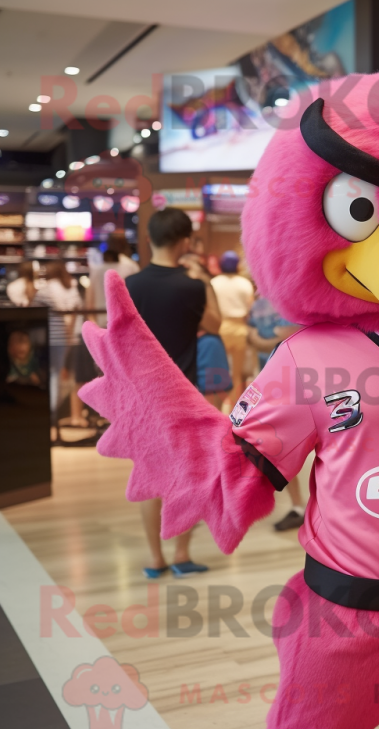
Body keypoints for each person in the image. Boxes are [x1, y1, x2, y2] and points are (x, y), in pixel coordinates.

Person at [125, 208, 222, 578]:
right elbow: (214, 324)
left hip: (143, 396)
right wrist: (205, 281)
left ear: (149, 238)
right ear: (185, 242)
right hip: (184, 393)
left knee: (148, 475)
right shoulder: (192, 286)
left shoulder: (131, 285)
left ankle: (155, 559)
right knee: (189, 474)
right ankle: (181, 553)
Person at [248, 293, 305, 530]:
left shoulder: (288, 300)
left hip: (295, 379)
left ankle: (305, 505)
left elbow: (282, 336)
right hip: (273, 379)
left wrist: (259, 340)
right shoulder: (261, 303)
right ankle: (299, 506)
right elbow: (257, 337)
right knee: (281, 445)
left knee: (292, 445)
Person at [33, 261, 82, 423]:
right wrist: (69, 335)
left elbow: (34, 312)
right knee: (63, 376)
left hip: (48, 337)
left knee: (50, 375)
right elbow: (75, 312)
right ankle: (55, 412)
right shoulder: (71, 287)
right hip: (69, 337)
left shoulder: (45, 289)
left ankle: (50, 414)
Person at [210, 251, 254, 410]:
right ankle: (236, 409)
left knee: (218, 371)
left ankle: (218, 407)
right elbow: (250, 310)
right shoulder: (245, 283)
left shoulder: (214, 282)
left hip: (219, 329)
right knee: (237, 373)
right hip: (239, 329)